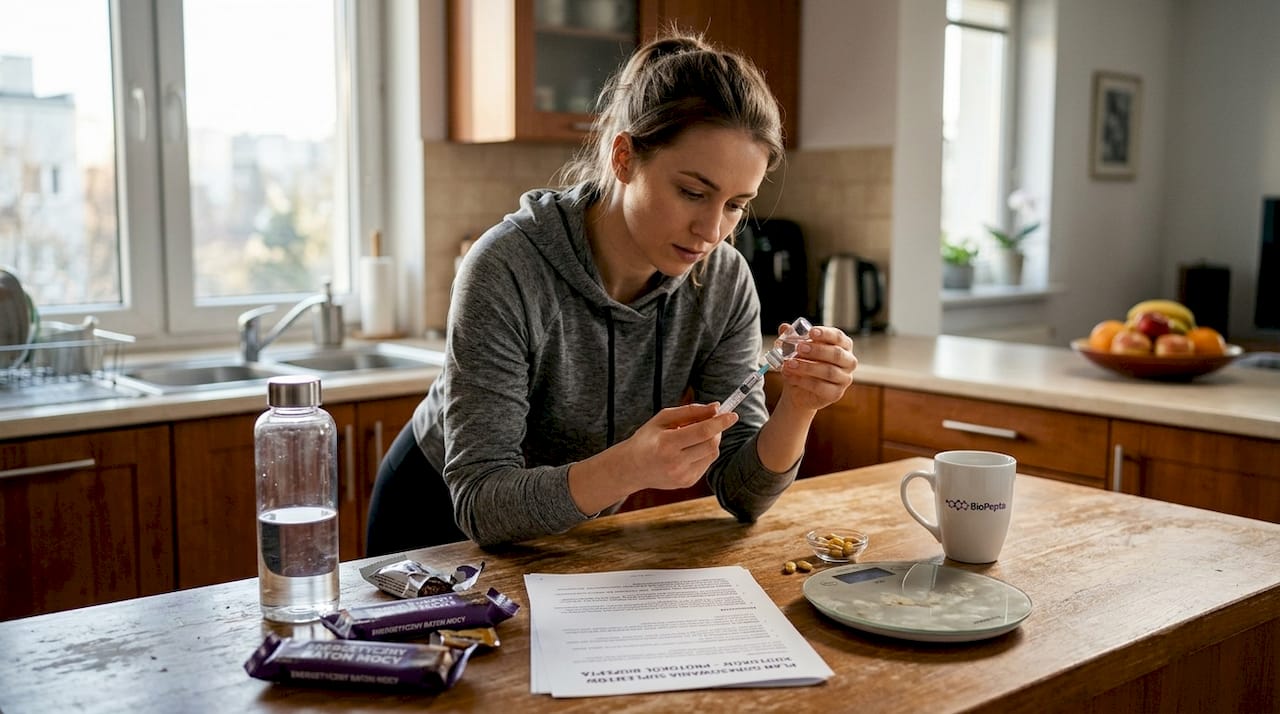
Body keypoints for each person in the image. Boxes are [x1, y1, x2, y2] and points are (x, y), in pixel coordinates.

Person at [366, 31, 858, 553]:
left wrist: (800, 407)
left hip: (565, 536)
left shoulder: (723, 282)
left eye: (737, 204)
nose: (712, 231)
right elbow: (480, 503)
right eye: (692, 192)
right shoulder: (507, 267)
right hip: (432, 529)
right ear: (624, 158)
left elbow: (743, 496)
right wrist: (629, 467)